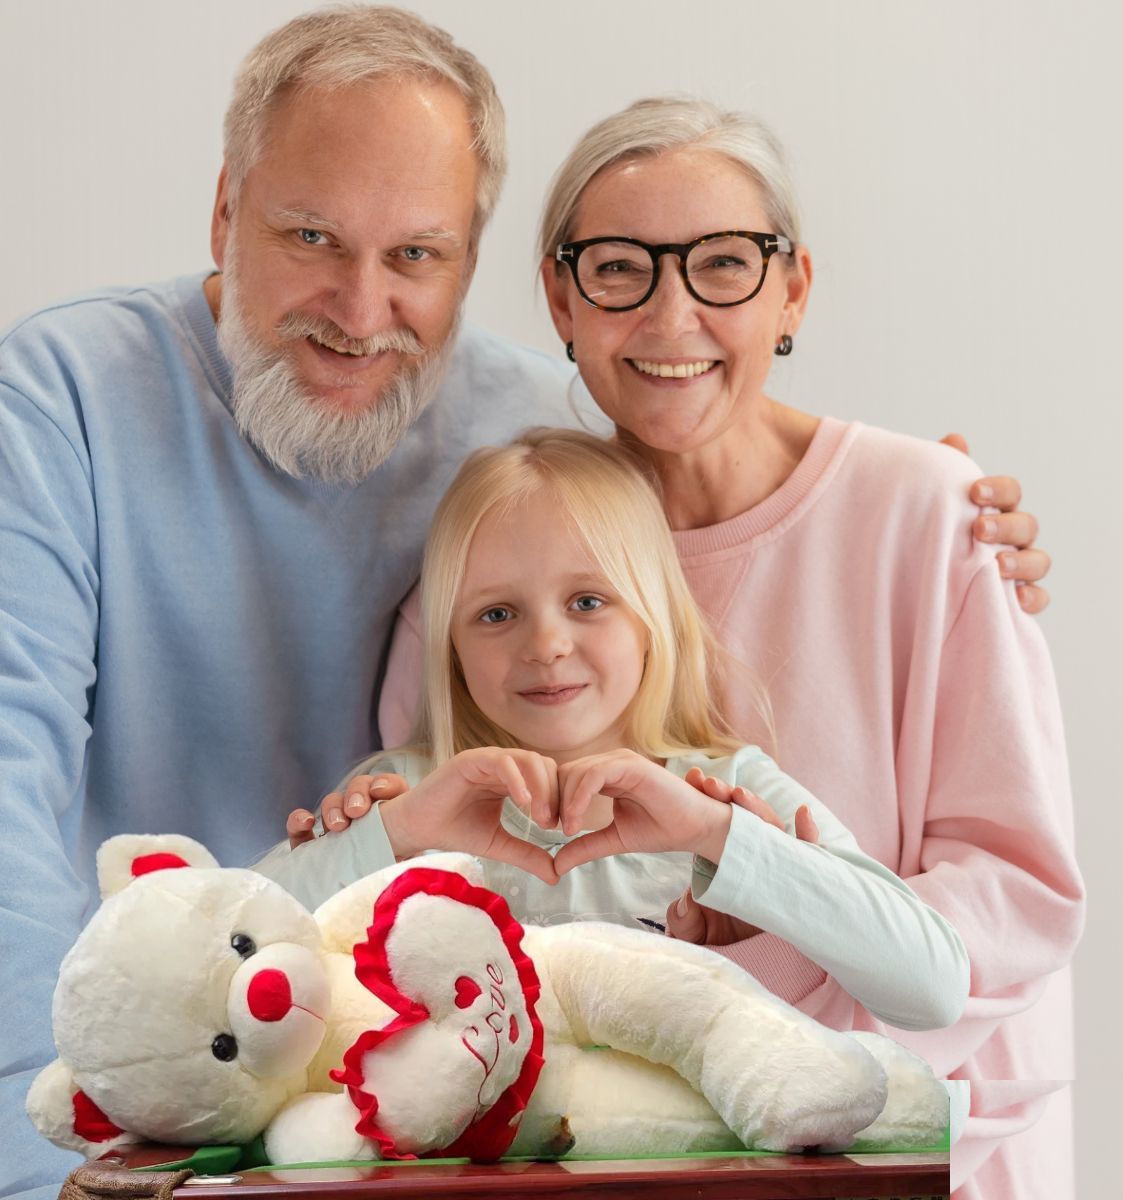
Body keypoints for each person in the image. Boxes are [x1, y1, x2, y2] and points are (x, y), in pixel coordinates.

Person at [0, 8, 1047, 1196]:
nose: (358, 305)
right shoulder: (62, 400)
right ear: (225, 213)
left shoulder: (535, 442)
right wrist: (75, 1152)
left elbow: (703, 434)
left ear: (470, 259)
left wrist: (933, 502)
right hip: (176, 1078)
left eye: (417, 255)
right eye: (309, 234)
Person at [310, 98, 1082, 1198]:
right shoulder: (500, 550)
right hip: (619, 1151)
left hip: (914, 1134)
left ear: (792, 290)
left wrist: (764, 981)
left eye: (724, 264)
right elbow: (440, 885)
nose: (673, 317)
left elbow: (1016, 895)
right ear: (562, 298)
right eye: (621, 268)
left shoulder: (931, 513)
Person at [261, 427, 970, 1037]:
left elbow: (933, 988)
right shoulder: (408, 794)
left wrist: (724, 842)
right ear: (450, 645)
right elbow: (224, 957)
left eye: (588, 601)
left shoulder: (727, 793)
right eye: (496, 614)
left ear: (651, 617)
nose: (546, 644)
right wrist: (392, 836)